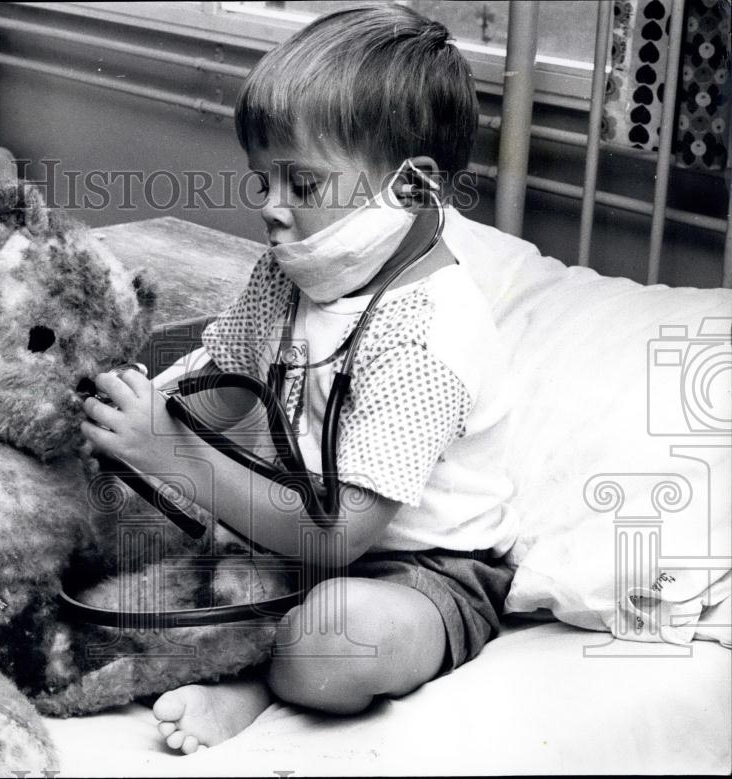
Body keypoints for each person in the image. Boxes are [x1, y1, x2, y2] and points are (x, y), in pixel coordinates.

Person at [80, 2, 518, 755]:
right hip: (281, 536)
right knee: (119, 540)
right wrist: (135, 417)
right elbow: (220, 381)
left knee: (333, 636)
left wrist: (176, 456)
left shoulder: (432, 332)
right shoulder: (290, 276)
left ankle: (252, 680)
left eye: (303, 185)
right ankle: (229, 645)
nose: (270, 210)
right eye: (263, 180)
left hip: (413, 571)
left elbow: (342, 533)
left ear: (412, 189)